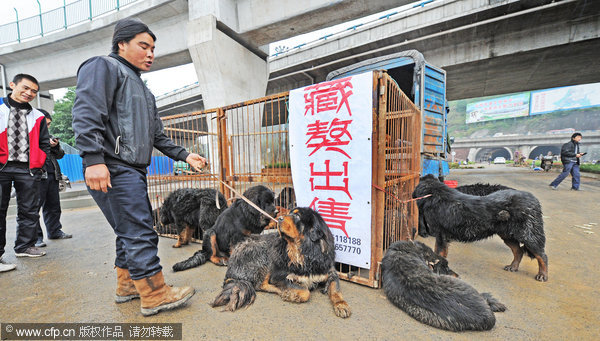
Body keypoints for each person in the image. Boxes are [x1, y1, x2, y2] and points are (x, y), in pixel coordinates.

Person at [72, 18, 207, 316]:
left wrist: (185, 155)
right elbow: (86, 112)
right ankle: (155, 293)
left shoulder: (145, 92)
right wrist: (94, 159)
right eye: (143, 46)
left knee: (129, 230)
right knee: (141, 232)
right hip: (113, 166)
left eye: (153, 48)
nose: (150, 54)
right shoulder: (103, 67)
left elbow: (157, 135)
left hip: (131, 170)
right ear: (122, 43)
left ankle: (128, 286)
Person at [0, 74, 50, 266]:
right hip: (1, 168)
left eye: (34, 91)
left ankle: (24, 246)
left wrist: (40, 163)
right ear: (12, 85)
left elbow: (44, 144)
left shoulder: (38, 116)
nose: (29, 93)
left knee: (29, 210)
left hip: (28, 169)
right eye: (26, 88)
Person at [35, 109, 72, 248]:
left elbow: (60, 155)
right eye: (45, 123)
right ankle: (36, 238)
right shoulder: (29, 136)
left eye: (49, 124)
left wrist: (55, 146)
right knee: (33, 209)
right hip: (37, 176)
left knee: (53, 206)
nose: (47, 126)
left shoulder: (49, 136)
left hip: (52, 174)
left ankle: (54, 231)